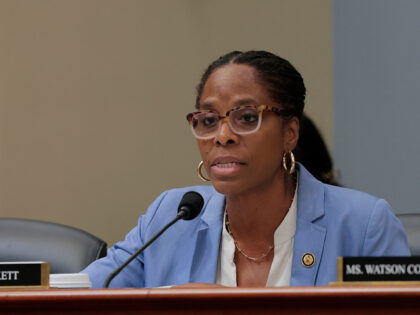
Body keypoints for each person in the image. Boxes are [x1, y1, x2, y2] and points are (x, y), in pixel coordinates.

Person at [82, 50, 409, 288]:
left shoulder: (364, 226)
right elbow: (80, 292)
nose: (222, 136)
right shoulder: (169, 216)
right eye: (209, 120)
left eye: (247, 118)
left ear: (290, 133)